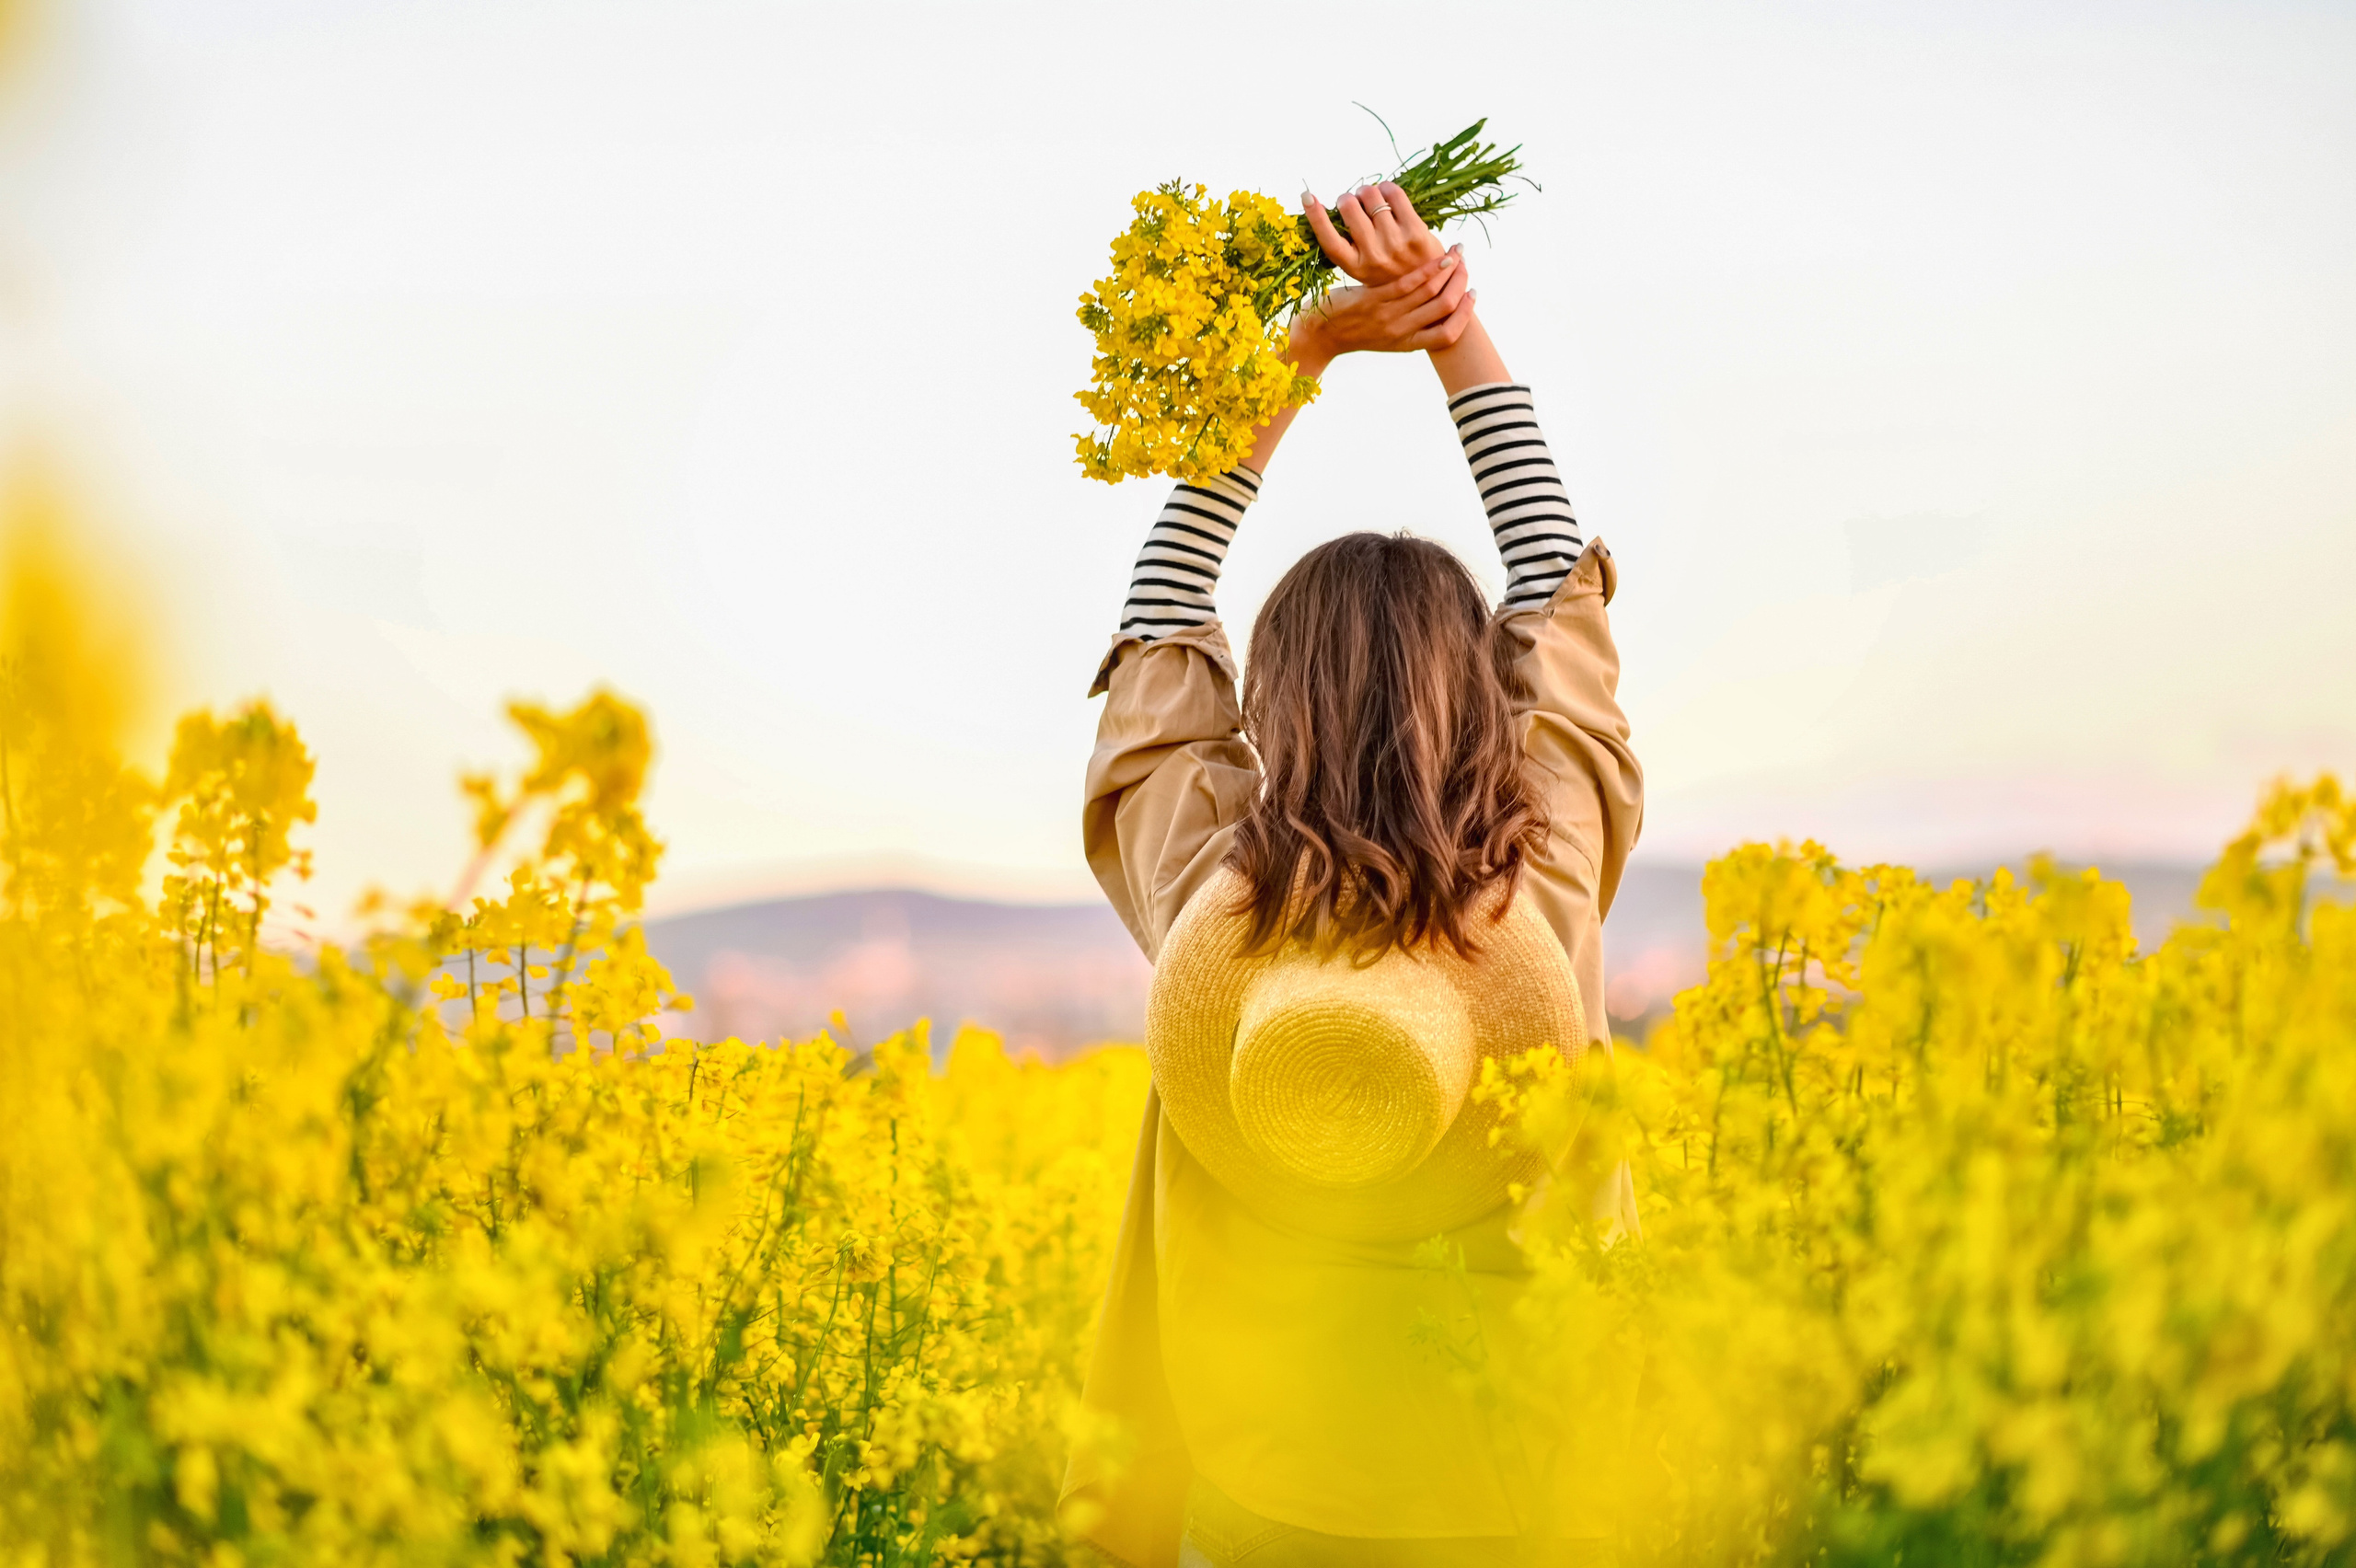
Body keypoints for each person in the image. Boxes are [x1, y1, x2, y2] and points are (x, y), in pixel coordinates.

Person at [1063, 181, 1644, 1568]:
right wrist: (1454, 326)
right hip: (1514, 1504)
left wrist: (1304, 353)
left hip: (1255, 1496)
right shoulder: (1545, 879)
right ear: (1481, 697)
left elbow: (1158, 619)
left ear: (1266, 702)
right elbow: (1558, 583)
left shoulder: (1215, 902)